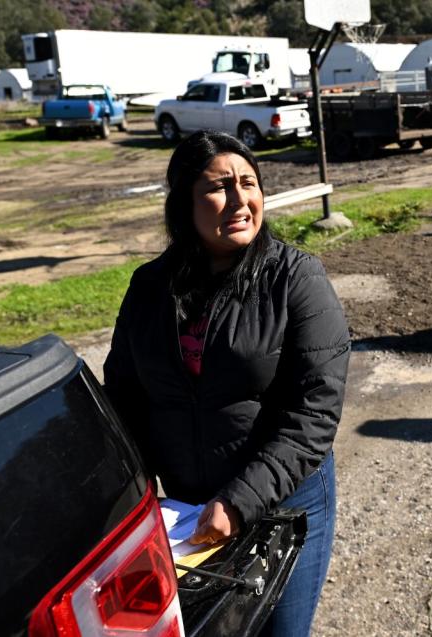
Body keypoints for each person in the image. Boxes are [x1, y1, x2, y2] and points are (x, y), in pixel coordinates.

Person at [103, 130, 351, 636]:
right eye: (219, 187)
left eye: (250, 183)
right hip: (188, 513)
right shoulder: (149, 287)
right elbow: (123, 397)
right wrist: (126, 492)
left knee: (278, 630)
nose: (240, 200)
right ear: (184, 204)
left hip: (285, 502)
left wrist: (239, 500)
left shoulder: (296, 278)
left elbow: (314, 410)